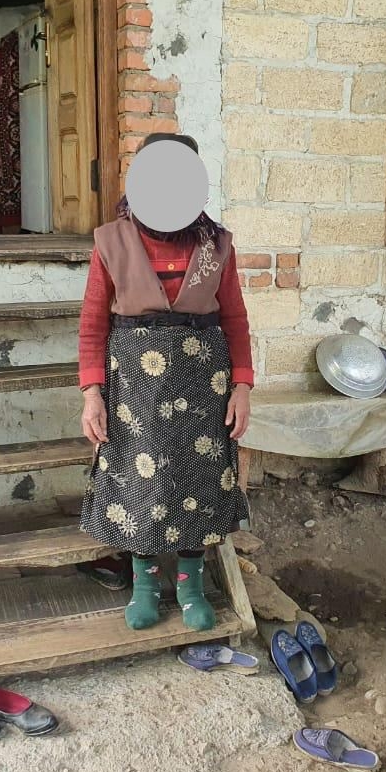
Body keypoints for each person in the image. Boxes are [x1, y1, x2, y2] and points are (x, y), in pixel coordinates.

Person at [78, 132, 253, 632]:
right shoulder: (111, 241)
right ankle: (145, 585)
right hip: (135, 384)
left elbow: (235, 318)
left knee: (198, 479)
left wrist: (242, 386)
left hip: (204, 377)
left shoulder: (217, 245)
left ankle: (192, 586)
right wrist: (92, 393)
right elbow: (93, 322)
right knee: (141, 483)